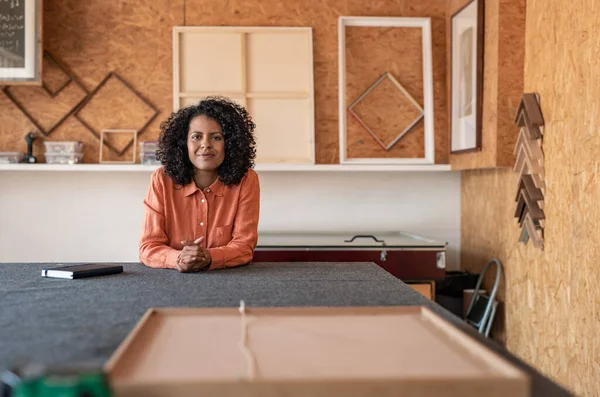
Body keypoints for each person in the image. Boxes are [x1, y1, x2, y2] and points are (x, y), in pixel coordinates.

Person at [139, 96, 260, 272]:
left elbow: (244, 247)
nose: (205, 145)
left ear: (231, 143)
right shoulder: (161, 180)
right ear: (184, 143)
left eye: (216, 137)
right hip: (169, 283)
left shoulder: (246, 180)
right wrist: (179, 258)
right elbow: (149, 247)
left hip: (229, 281)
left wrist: (209, 257)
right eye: (196, 136)